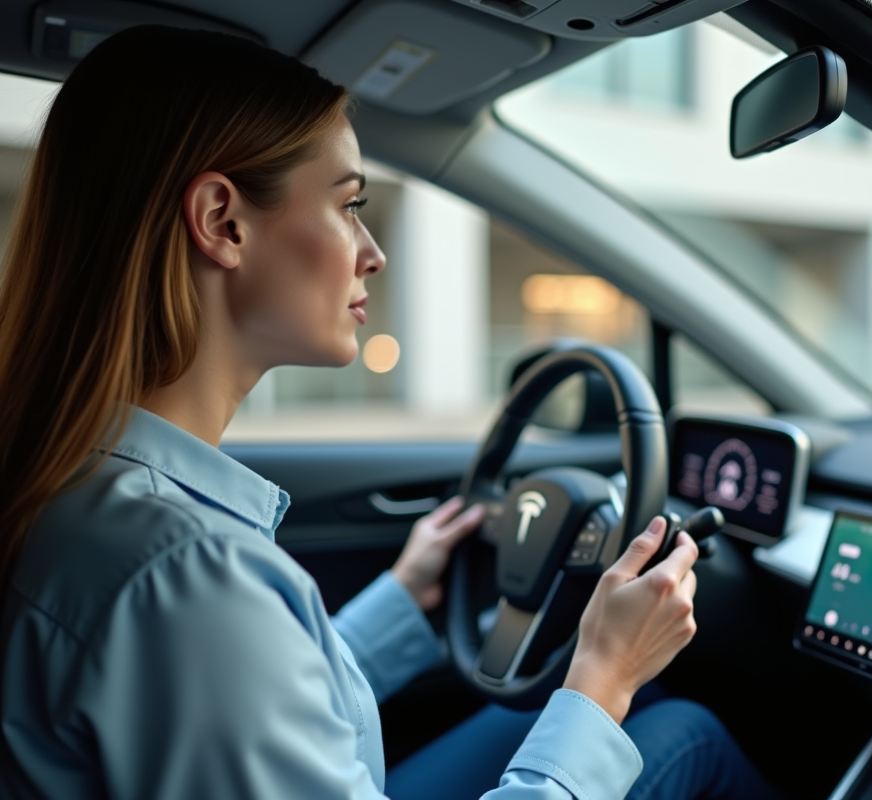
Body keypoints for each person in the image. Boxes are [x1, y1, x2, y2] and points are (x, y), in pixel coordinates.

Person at [0, 24, 783, 800]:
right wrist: (604, 676)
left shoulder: (85, 495)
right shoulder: (187, 577)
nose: (373, 253)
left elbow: (252, 703)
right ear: (221, 223)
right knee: (683, 737)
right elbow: (222, 658)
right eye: (348, 205)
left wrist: (404, 599)